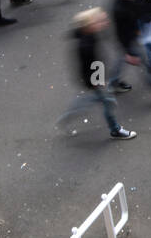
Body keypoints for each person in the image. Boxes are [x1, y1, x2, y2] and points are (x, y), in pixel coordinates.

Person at [57, 7, 136, 140]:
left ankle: (67, 118)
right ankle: (115, 130)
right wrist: (98, 82)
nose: (103, 24)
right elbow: (90, 66)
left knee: (89, 100)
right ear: (89, 26)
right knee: (108, 102)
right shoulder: (86, 45)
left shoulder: (88, 34)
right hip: (95, 78)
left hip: (95, 76)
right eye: (99, 22)